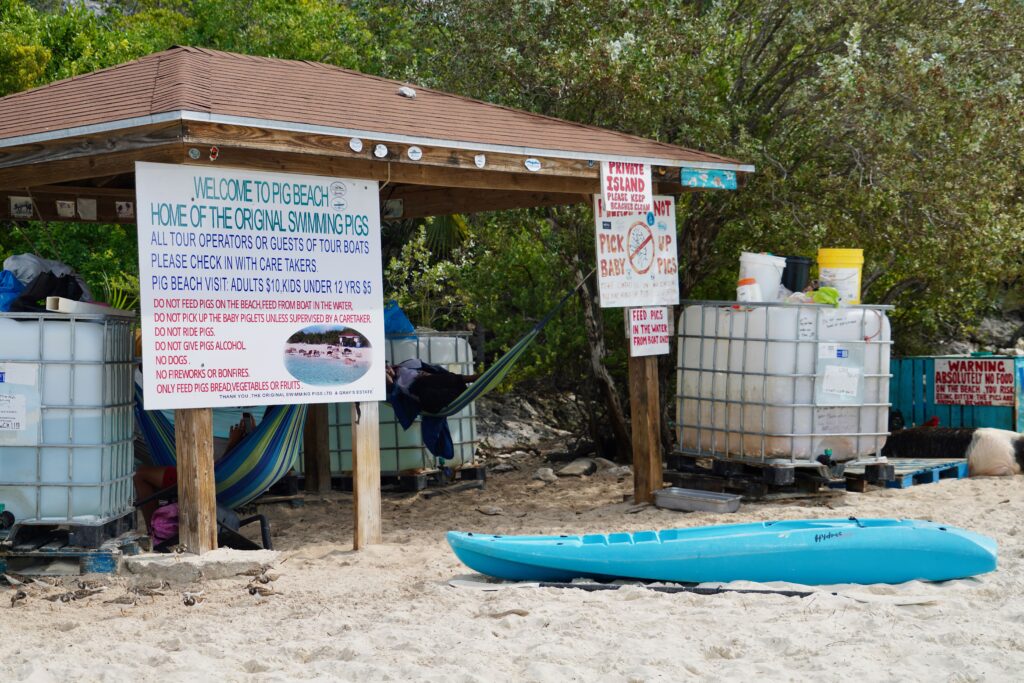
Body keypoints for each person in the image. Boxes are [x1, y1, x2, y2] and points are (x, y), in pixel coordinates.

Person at [133, 412, 257, 530]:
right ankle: (159, 527)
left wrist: (232, 443)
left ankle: (155, 530)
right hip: (207, 478)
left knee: (140, 474)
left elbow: (217, 472)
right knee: (148, 475)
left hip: (199, 480)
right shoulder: (256, 457)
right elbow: (222, 470)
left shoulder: (247, 454)